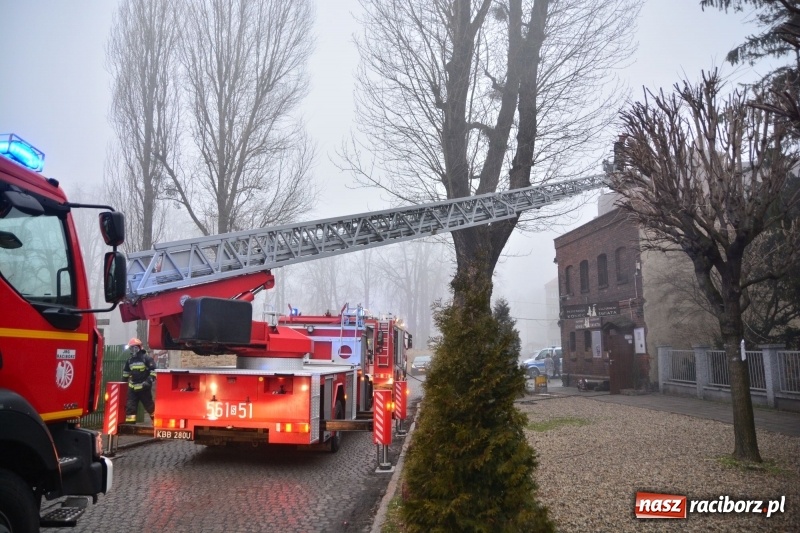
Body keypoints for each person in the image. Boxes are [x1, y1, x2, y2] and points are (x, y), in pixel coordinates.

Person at [122, 338, 156, 423]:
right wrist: (123, 383)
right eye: (131, 348)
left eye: (135, 348)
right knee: (130, 407)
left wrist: (148, 382)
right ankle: (130, 426)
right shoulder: (129, 360)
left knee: (149, 407)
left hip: (144, 387)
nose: (133, 350)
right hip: (132, 388)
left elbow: (154, 371)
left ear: (140, 348)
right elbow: (126, 373)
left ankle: (156, 422)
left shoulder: (146, 358)